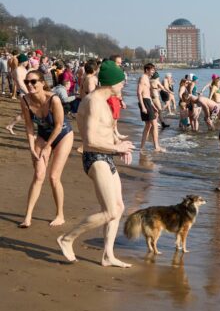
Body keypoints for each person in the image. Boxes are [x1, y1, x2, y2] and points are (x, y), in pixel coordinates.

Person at [57, 60, 135, 268]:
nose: (123, 87)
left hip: (106, 156)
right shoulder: (93, 101)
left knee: (118, 208)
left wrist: (120, 145)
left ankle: (108, 255)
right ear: (111, 83)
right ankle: (67, 238)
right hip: (95, 158)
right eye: (121, 83)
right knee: (109, 211)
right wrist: (117, 148)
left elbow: (106, 133)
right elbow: (90, 140)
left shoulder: (104, 102)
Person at [18, 70, 74, 228]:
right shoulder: (25, 100)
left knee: (54, 177)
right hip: (43, 135)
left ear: (42, 82)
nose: (30, 85)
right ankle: (27, 216)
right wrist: (31, 148)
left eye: (33, 81)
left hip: (62, 135)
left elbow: (57, 126)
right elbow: (29, 127)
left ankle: (60, 215)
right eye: (27, 82)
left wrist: (46, 147)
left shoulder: (53, 99)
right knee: (38, 175)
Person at [137, 63, 165, 152]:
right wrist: (143, 106)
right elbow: (139, 93)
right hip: (144, 102)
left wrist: (153, 105)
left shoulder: (147, 79)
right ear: (146, 70)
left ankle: (142, 147)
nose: (153, 71)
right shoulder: (142, 78)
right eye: (152, 70)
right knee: (154, 125)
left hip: (148, 102)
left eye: (153, 70)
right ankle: (156, 147)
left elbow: (148, 94)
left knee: (148, 125)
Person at [5, 53, 29, 134]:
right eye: (27, 61)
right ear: (23, 61)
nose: (28, 62)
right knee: (27, 113)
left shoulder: (24, 69)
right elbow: (20, 83)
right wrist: (29, 93)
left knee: (25, 113)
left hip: (26, 93)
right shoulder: (18, 70)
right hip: (24, 94)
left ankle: (10, 126)